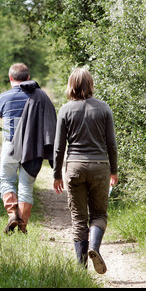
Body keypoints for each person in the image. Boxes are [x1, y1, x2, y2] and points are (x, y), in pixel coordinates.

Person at [53, 68, 118, 274]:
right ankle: (94, 247)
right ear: (90, 85)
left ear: (71, 85)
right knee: (99, 213)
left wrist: (56, 174)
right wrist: (114, 171)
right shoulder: (104, 108)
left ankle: (81, 271)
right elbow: (112, 145)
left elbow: (58, 147)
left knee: (78, 219)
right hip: (100, 167)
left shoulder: (65, 110)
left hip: (75, 167)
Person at [0, 63, 57, 234]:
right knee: (26, 186)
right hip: (33, 147)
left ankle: (12, 215)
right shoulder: (38, 97)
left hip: (11, 145)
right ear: (28, 78)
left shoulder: (4, 97)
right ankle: (22, 225)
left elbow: (0, 115)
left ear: (10, 78)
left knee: (7, 181)